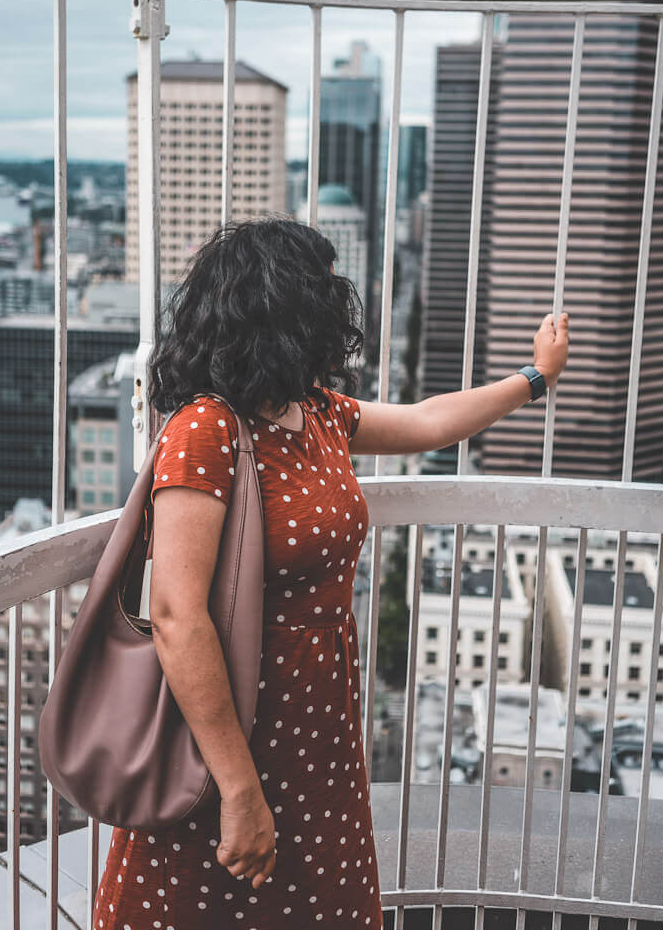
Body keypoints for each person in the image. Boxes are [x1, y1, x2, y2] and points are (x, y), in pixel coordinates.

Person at [92, 214, 569, 930]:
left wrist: (534, 378)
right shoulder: (207, 429)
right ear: (283, 311)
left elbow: (429, 421)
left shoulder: (312, 414)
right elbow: (177, 615)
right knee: (203, 900)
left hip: (316, 722)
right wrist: (238, 787)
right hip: (237, 726)